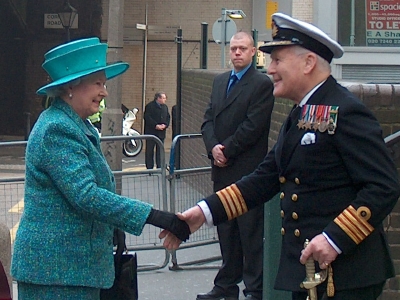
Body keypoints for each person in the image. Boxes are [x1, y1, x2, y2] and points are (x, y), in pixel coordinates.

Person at [160, 13, 400, 300]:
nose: (270, 69)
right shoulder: (301, 113)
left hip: (345, 275)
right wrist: (203, 213)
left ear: (308, 63)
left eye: (277, 60)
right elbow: (265, 178)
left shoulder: (345, 111)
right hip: (309, 271)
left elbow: (383, 186)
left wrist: (335, 239)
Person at [11, 37, 190, 300]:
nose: (105, 92)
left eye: (104, 84)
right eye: (98, 83)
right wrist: (155, 216)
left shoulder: (73, 125)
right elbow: (86, 195)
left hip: (71, 271)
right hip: (57, 275)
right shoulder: (57, 129)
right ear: (71, 86)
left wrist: (113, 227)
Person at [197, 31, 274, 300]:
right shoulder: (220, 82)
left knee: (250, 233)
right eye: (233, 48)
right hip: (221, 171)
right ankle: (225, 286)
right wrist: (213, 147)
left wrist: (226, 150)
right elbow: (207, 120)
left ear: (254, 52)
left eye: (243, 48)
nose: (237, 53)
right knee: (226, 232)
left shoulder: (261, 84)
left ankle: (254, 289)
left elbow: (253, 126)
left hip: (247, 172)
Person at [143, 92, 170, 169]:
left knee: (160, 150)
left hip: (161, 132)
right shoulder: (150, 106)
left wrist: (165, 125)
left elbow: (168, 117)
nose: (165, 100)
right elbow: (147, 117)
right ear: (158, 98)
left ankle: (160, 166)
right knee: (150, 150)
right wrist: (155, 125)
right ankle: (149, 167)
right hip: (151, 132)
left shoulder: (165, 107)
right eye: (163, 98)